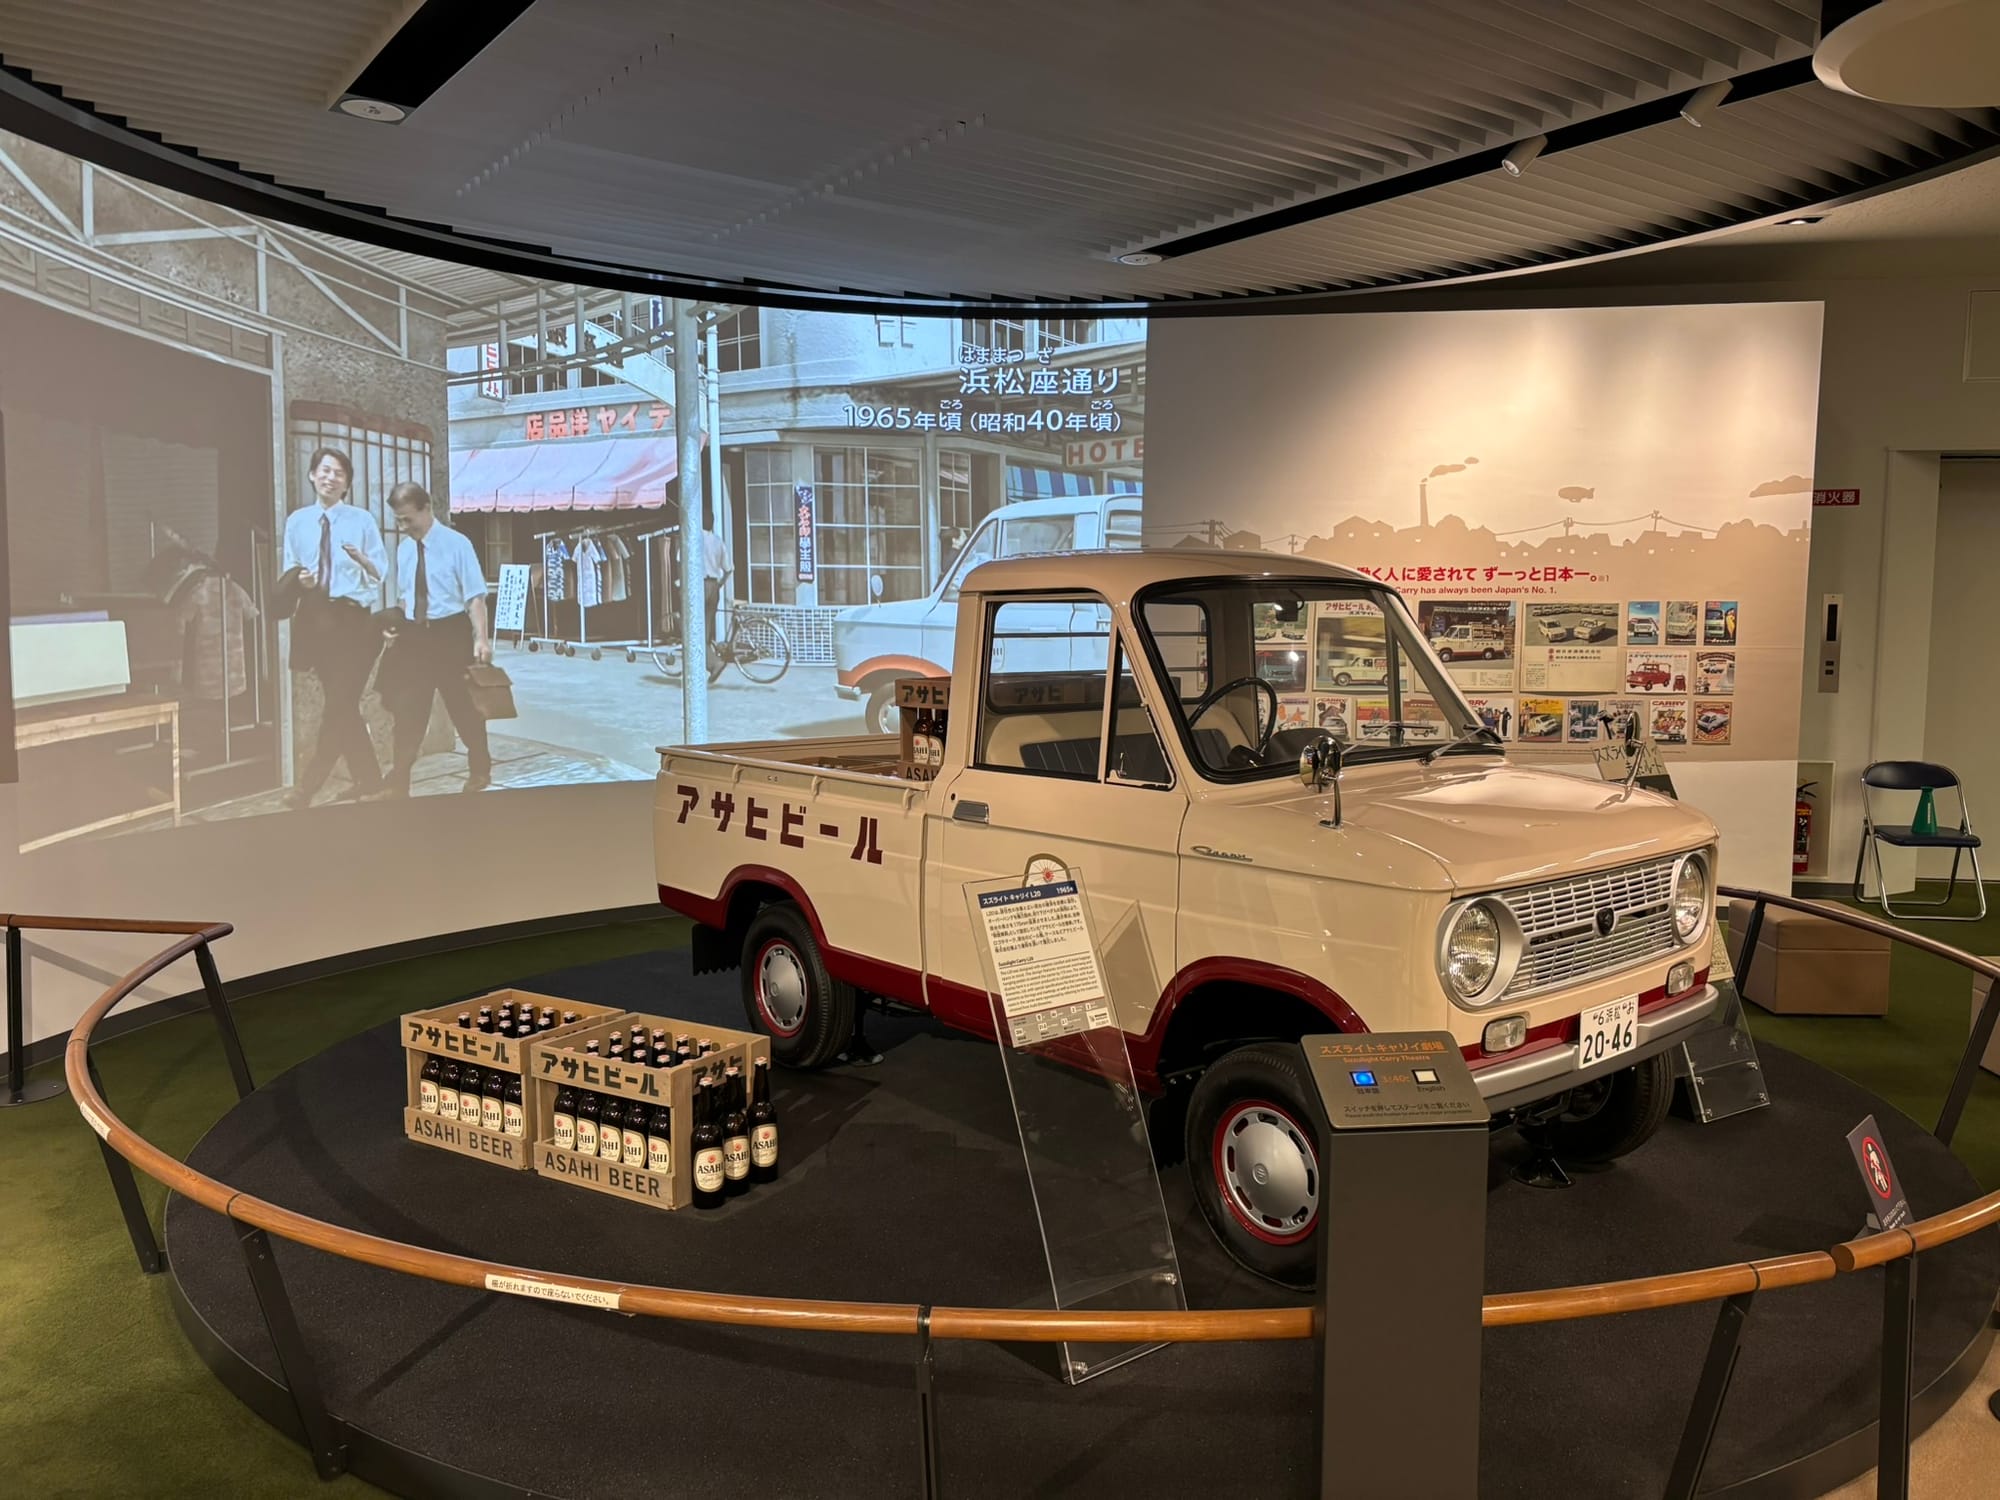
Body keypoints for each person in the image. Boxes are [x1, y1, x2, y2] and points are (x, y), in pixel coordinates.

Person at [280, 446, 387, 807]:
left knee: (340, 703)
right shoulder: (297, 522)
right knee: (343, 705)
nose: (330, 478)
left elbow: (381, 572)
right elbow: (290, 569)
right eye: (324, 470)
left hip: (354, 621)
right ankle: (370, 781)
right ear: (312, 475)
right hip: (316, 619)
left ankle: (308, 787)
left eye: (339, 473)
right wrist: (302, 582)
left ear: (347, 483)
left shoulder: (362, 520)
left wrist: (362, 559)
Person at [379, 482, 493, 796]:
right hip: (415, 637)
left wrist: (481, 639)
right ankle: (399, 780)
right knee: (408, 710)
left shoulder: (457, 544)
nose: (403, 526)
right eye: (398, 520)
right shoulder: (404, 550)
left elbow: (475, 597)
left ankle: (480, 768)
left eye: (408, 519)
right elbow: (406, 596)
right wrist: (397, 627)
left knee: (463, 706)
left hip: (450, 634)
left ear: (426, 508)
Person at [701, 514, 731, 671]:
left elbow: (680, 560)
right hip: (713, 585)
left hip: (698, 585)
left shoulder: (693, 539)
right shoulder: (718, 541)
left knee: (694, 628)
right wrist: (720, 584)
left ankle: (713, 663)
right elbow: (728, 568)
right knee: (707, 626)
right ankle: (708, 659)